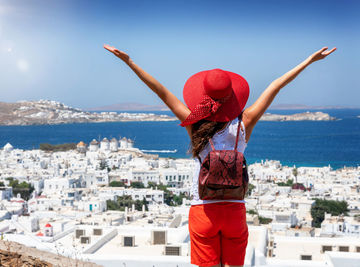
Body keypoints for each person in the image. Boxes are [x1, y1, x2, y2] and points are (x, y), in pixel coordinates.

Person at [104, 44, 336, 267]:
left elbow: (161, 91)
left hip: (203, 209)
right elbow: (275, 87)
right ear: (232, 96)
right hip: (235, 209)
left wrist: (129, 62)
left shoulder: (195, 125)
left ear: (203, 95)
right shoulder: (244, 124)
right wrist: (308, 61)